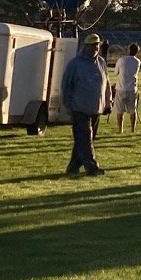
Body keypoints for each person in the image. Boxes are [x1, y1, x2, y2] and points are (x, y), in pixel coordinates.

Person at [61, 34, 108, 175]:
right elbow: (66, 85)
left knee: (85, 140)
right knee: (85, 139)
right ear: (86, 46)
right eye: (93, 44)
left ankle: (73, 167)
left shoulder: (101, 62)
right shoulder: (75, 64)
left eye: (97, 44)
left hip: (96, 108)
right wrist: (69, 105)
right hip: (79, 108)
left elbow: (106, 83)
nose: (96, 47)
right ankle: (92, 168)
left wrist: (108, 102)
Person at [115, 43, 141, 134]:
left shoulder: (121, 59)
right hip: (132, 88)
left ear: (129, 49)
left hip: (121, 88)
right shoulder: (137, 61)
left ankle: (120, 130)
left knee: (119, 111)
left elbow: (116, 73)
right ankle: (132, 130)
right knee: (132, 110)